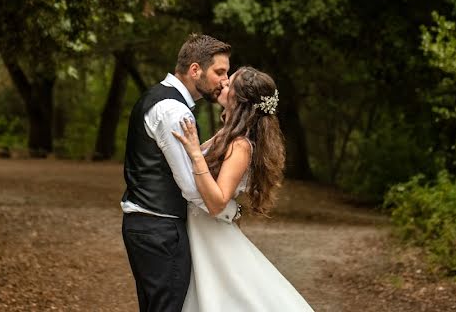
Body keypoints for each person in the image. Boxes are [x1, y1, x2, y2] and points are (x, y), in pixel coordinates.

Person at [172, 66, 314, 311]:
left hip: (211, 236)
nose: (223, 84)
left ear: (239, 99)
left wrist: (196, 154)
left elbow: (217, 202)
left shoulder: (240, 145)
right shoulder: (227, 137)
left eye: (229, 84)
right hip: (203, 233)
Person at [121, 34, 241, 312]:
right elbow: (190, 185)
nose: (224, 80)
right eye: (219, 72)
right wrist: (229, 211)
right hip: (160, 230)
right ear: (195, 69)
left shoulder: (161, 99)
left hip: (148, 226)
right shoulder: (174, 111)